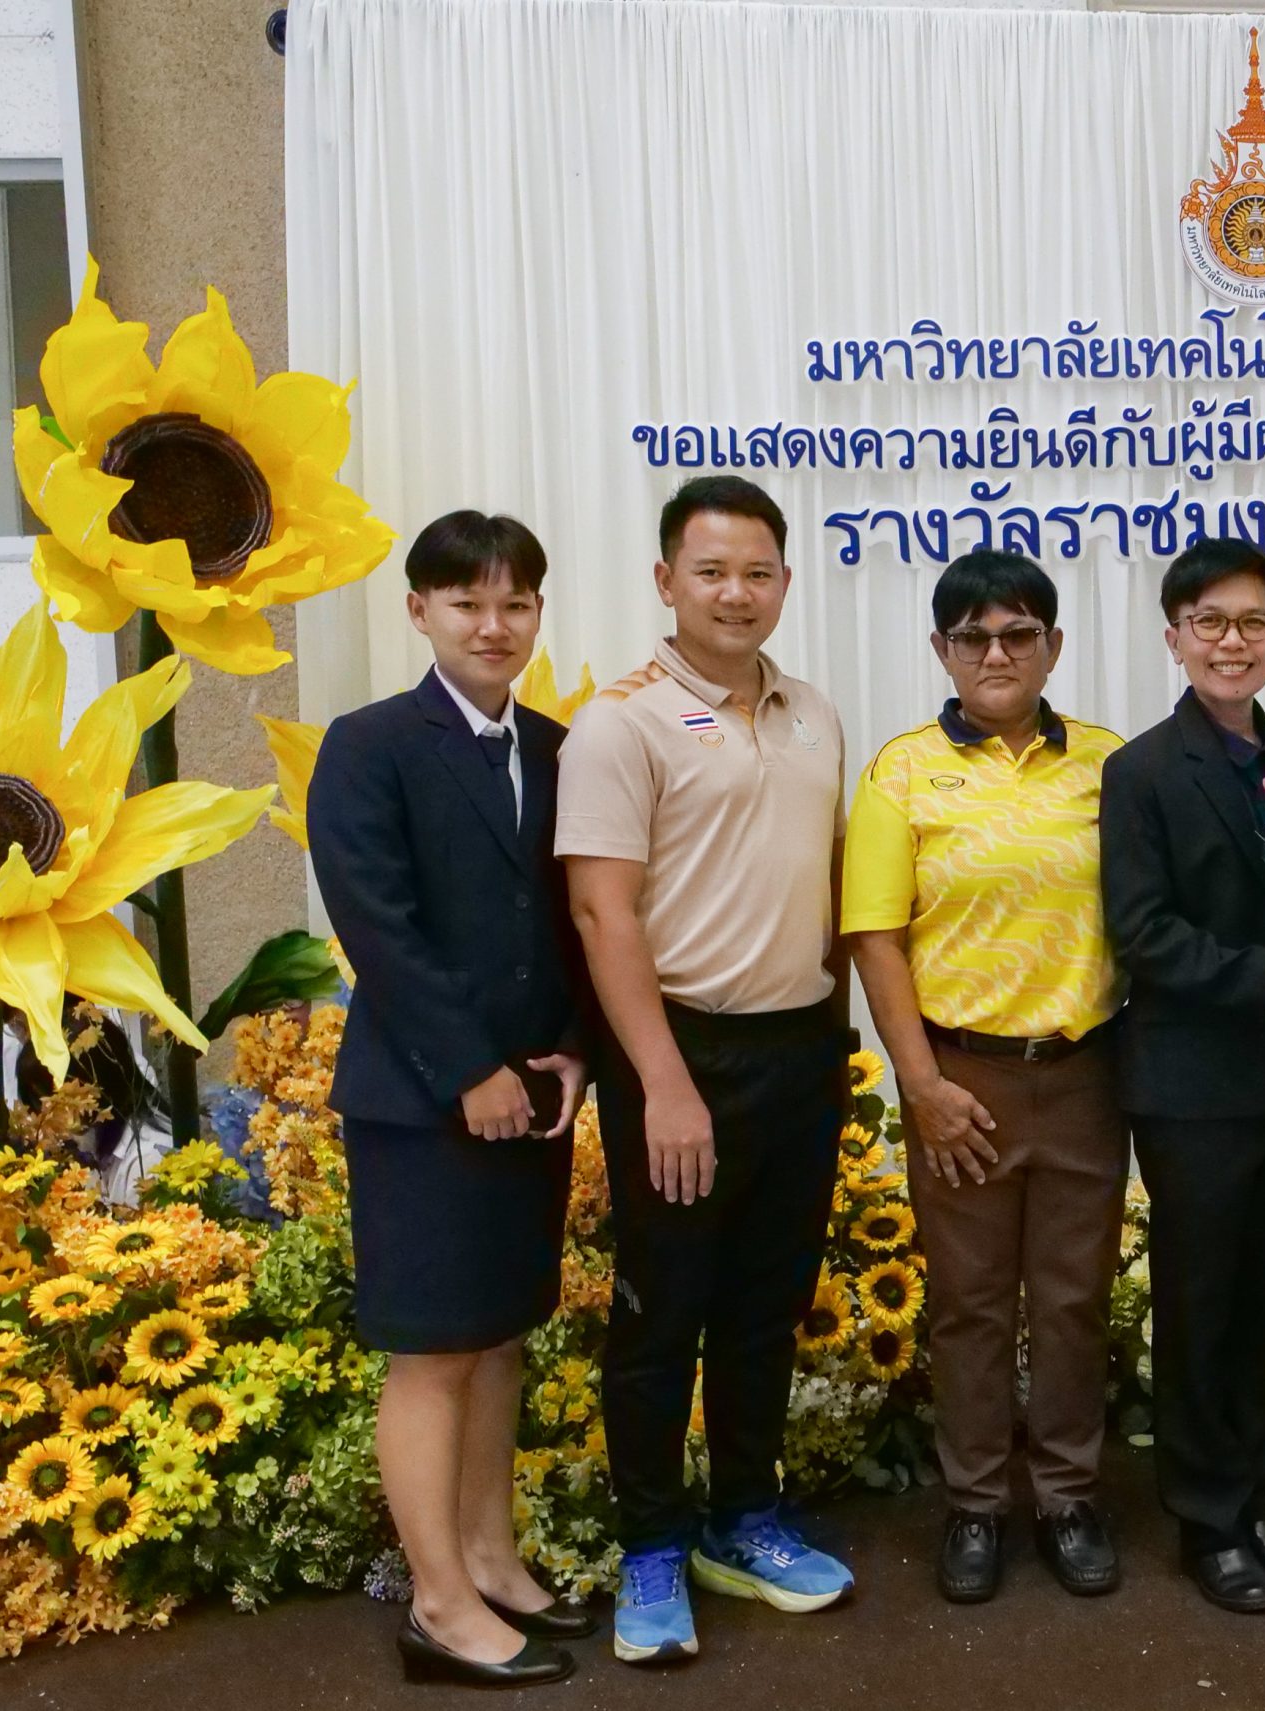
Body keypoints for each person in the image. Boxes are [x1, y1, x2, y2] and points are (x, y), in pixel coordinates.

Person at [558, 476, 855, 1665]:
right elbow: (601, 914)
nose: (737, 593)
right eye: (712, 571)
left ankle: (743, 1519)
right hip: (677, 1054)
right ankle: (651, 1545)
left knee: (762, 1307)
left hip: (799, 1050)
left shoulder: (812, 712)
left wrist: (838, 1044)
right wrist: (664, 1082)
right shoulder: (619, 723)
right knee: (661, 1312)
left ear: (783, 582)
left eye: (757, 573)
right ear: (666, 581)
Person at [309, 510, 592, 1688]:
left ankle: (488, 1557)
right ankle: (437, 1606)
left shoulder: (564, 747)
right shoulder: (369, 744)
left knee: (502, 1332)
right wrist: (471, 1069)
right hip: (423, 1103)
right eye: (467, 601)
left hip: (533, 1097)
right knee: (433, 1351)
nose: (493, 624)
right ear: (419, 609)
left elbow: (581, 914)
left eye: (515, 602)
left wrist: (571, 1050)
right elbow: (376, 924)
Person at [842, 550, 1129, 1605]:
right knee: (968, 1304)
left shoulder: (1108, 764)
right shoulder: (902, 771)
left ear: (1053, 646)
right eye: (973, 637)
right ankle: (973, 1502)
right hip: (960, 1079)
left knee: (1072, 1298)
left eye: (1018, 634)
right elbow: (875, 937)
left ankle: (1067, 1495)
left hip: (1085, 1072)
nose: (996, 654)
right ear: (941, 649)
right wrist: (920, 1085)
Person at [1100, 537, 1265, 1615]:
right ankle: (1206, 1517)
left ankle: (1254, 1491)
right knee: (1201, 1302)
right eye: (1209, 622)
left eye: (1251, 622)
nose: (1230, 641)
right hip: (1191, 1082)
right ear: (1175, 637)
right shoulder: (1142, 770)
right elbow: (1144, 934)